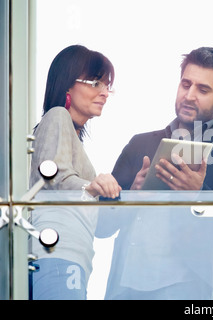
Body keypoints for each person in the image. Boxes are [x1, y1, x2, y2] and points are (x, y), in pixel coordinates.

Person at [96, 47, 213, 299]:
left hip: (188, 290)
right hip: (125, 287)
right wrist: (131, 195)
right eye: (186, 84)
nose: (190, 95)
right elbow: (102, 226)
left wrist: (200, 196)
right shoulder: (139, 144)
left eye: (203, 90)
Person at [29, 45, 121, 300]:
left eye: (106, 86)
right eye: (95, 83)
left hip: (69, 256)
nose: (104, 92)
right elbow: (53, 177)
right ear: (67, 86)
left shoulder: (70, 135)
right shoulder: (57, 116)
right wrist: (91, 187)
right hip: (58, 254)